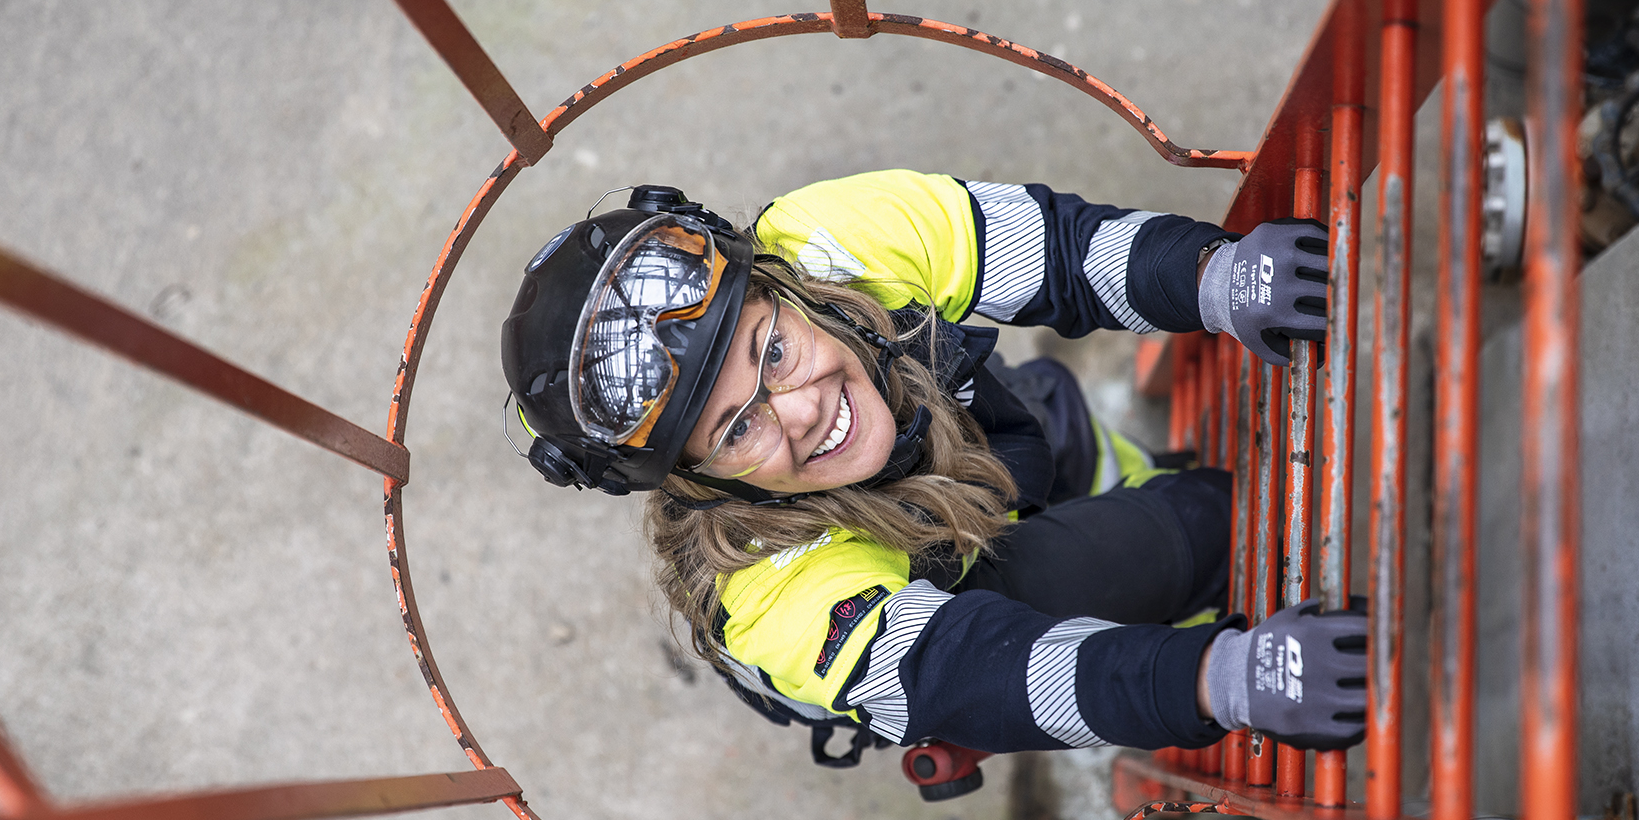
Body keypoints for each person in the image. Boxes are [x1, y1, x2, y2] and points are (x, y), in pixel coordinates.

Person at [500, 171, 1368, 762]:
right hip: (936, 601)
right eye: (736, 430)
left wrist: (1214, 277)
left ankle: (1135, 493)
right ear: (701, 481)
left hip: (970, 452)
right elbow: (980, 673)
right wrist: (1220, 680)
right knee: (1177, 534)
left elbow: (1052, 250)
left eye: (773, 350)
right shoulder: (770, 597)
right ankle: (1197, 550)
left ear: (784, 286)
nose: (800, 410)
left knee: (1047, 423)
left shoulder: (829, 237)